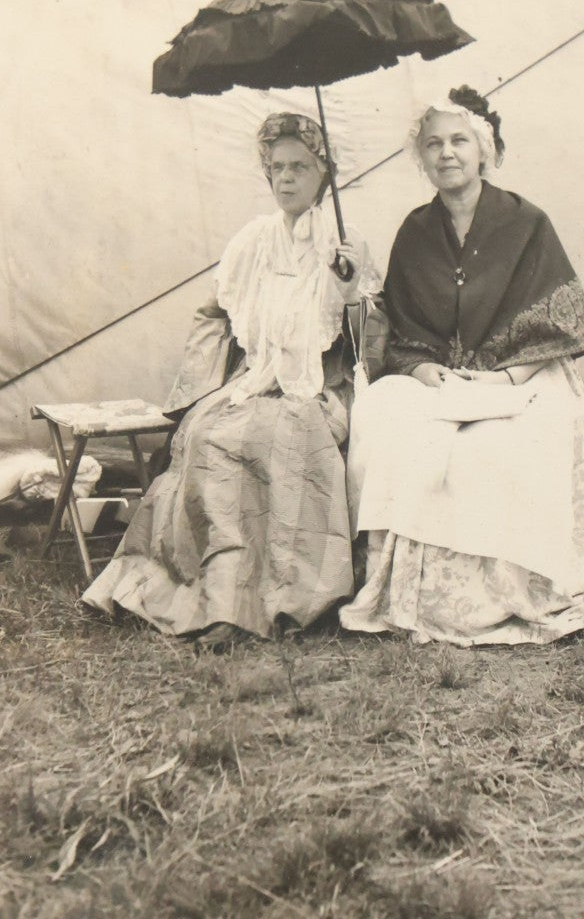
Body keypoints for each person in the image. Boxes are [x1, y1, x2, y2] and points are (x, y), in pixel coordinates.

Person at [83, 112, 383, 642]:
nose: (285, 178)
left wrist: (352, 290)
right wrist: (206, 387)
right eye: (276, 168)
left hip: (325, 388)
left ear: (324, 173)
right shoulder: (252, 243)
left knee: (279, 439)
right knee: (207, 432)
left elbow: (370, 346)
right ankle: (207, 591)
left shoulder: (347, 245)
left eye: (299, 167)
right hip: (255, 380)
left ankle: (257, 604)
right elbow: (213, 319)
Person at [340, 86, 584, 646]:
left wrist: (506, 376)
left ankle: (511, 597)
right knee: (392, 422)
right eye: (433, 143)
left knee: (497, 448)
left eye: (459, 140)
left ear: (485, 149)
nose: (447, 153)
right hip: (439, 378)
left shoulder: (527, 223)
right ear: (422, 157)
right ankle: (413, 594)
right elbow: (403, 329)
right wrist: (420, 372)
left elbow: (555, 325)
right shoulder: (415, 231)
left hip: (523, 373)